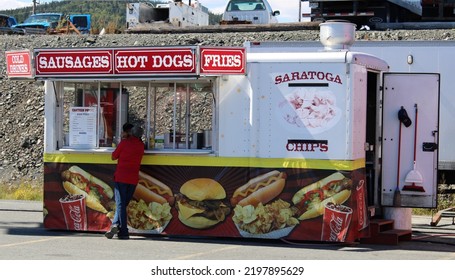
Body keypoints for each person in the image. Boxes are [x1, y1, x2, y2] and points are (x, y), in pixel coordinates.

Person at [105, 125, 145, 239]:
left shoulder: (124, 143)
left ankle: (123, 231)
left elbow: (113, 156)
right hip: (133, 179)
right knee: (123, 204)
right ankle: (116, 224)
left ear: (130, 133)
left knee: (120, 204)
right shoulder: (141, 146)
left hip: (121, 177)